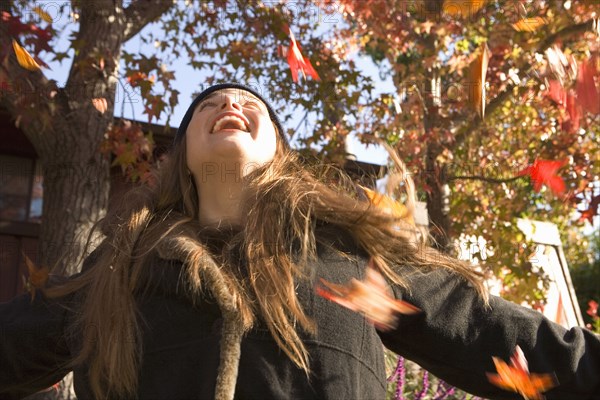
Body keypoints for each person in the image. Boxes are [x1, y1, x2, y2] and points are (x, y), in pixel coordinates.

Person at [1, 83, 599, 400]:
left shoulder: (347, 252)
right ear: (180, 157)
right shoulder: (116, 273)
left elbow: (485, 329)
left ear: (280, 157)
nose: (230, 103)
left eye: (248, 104)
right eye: (209, 105)